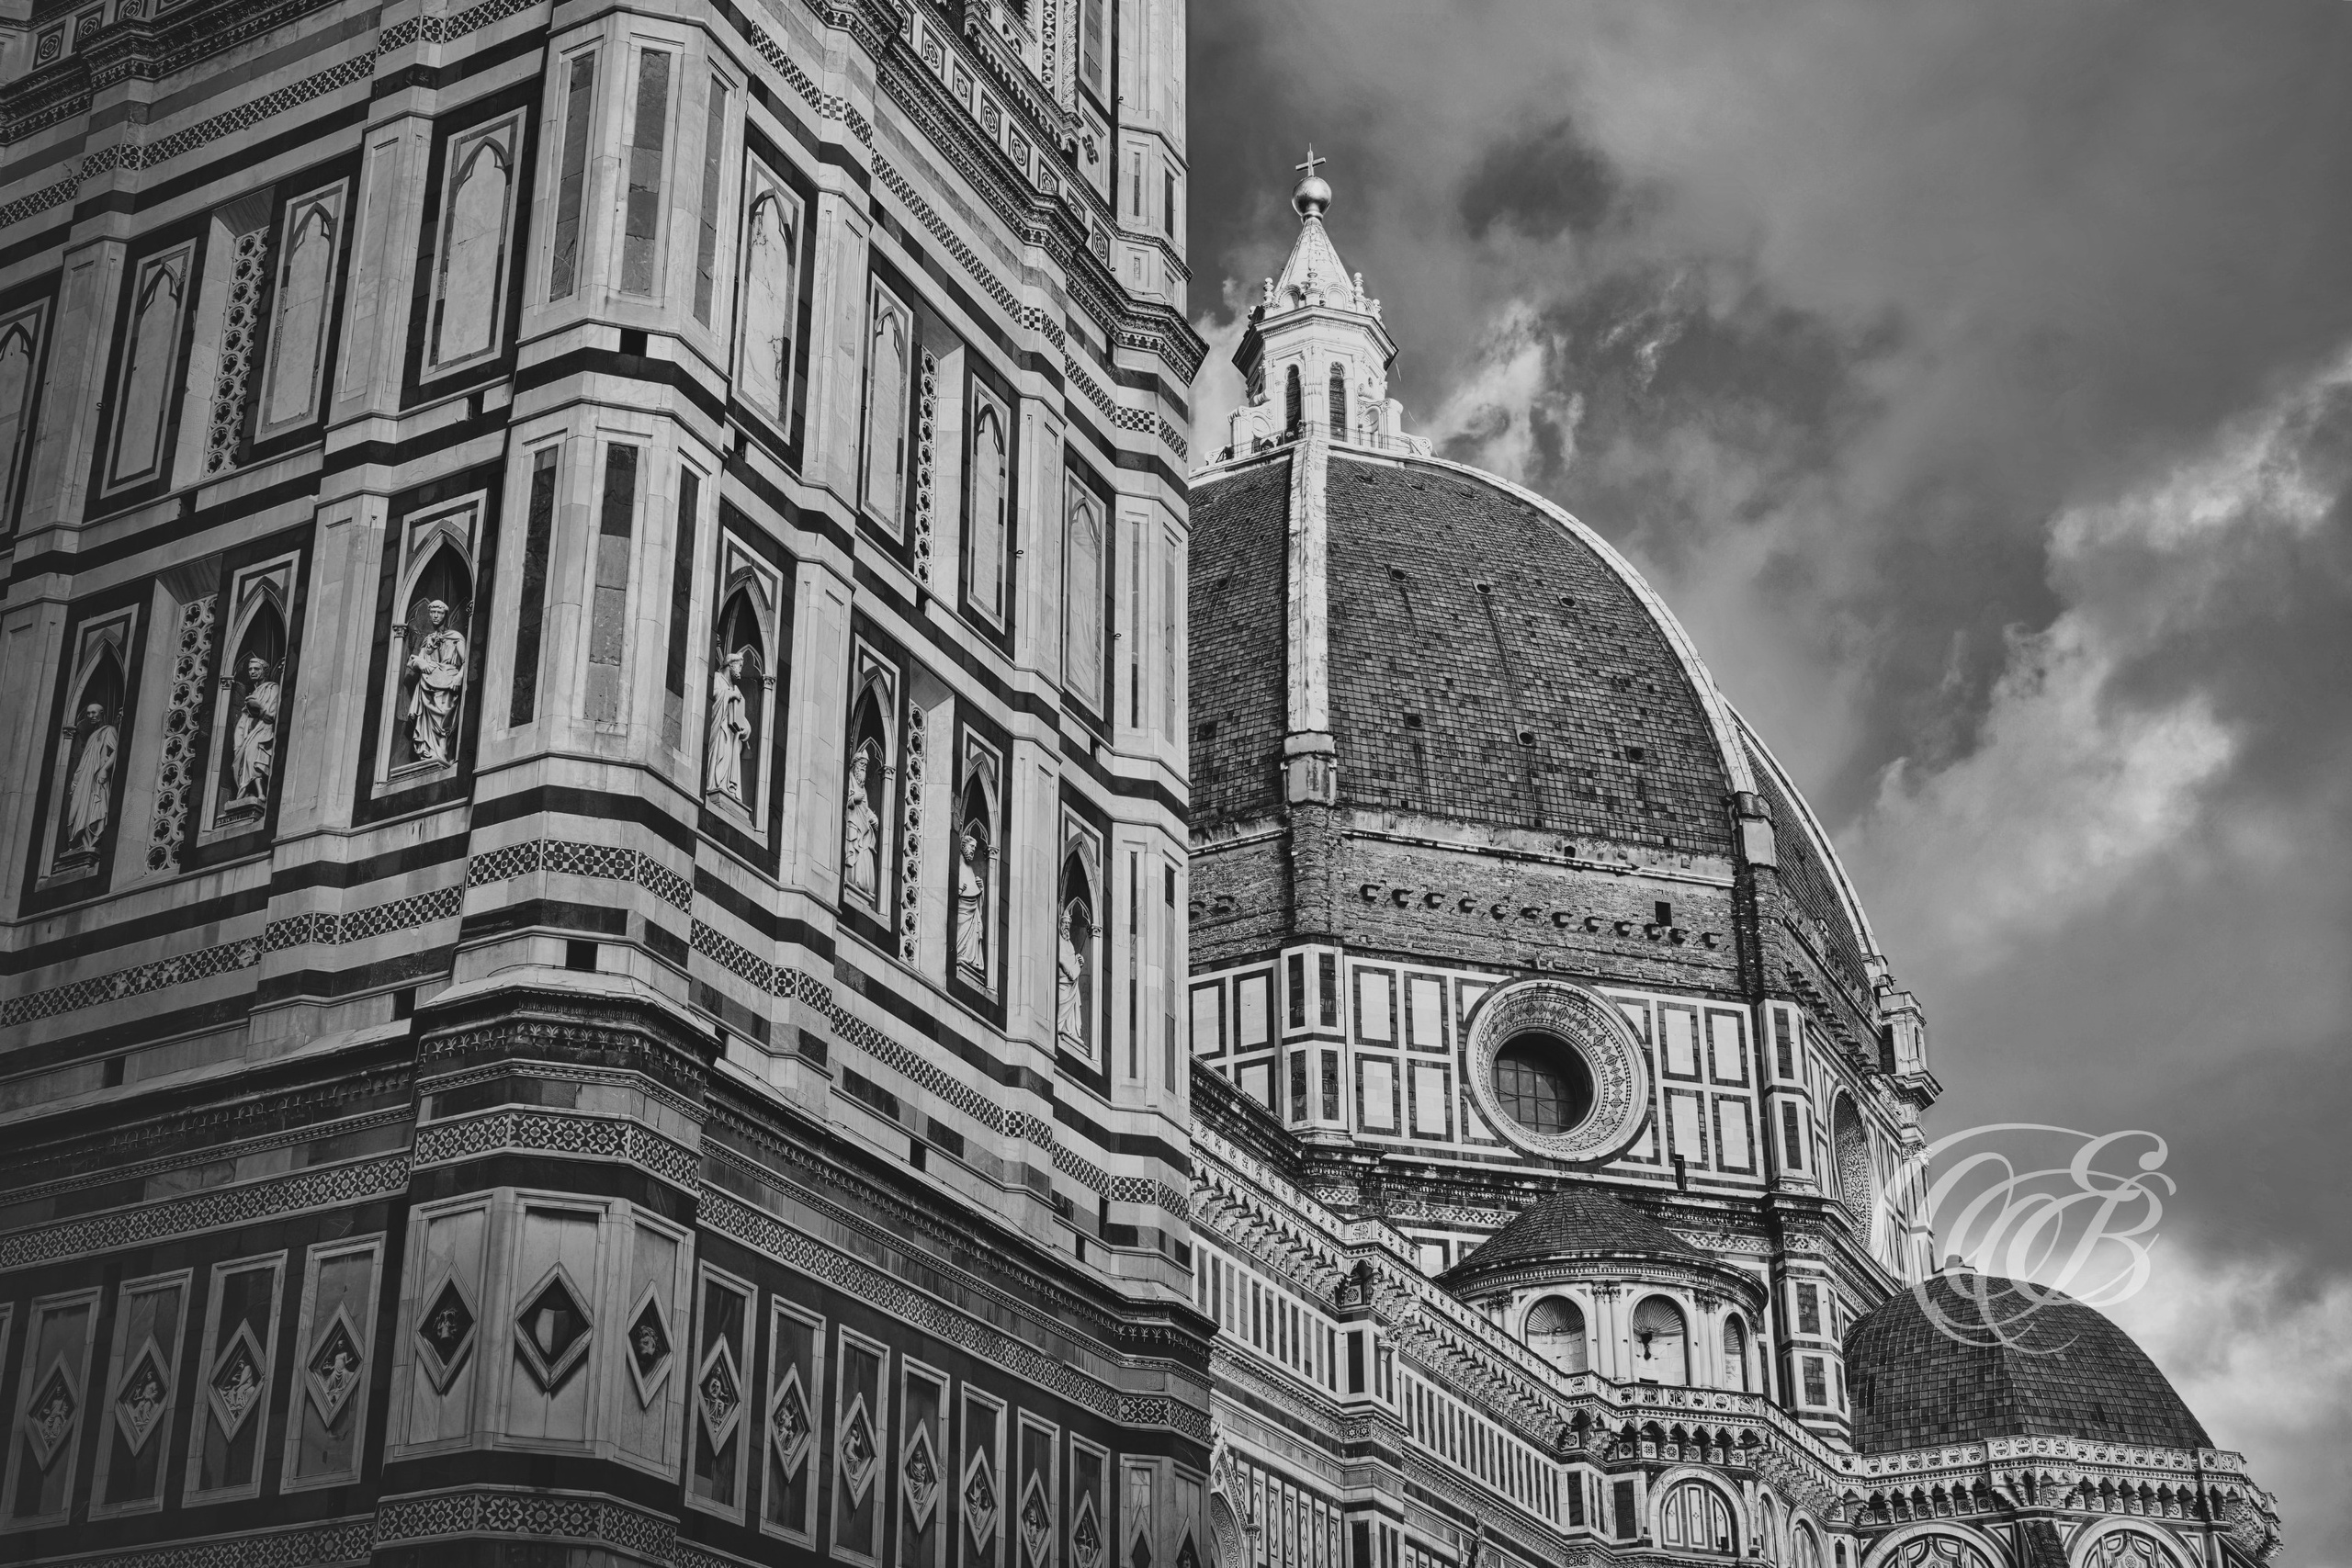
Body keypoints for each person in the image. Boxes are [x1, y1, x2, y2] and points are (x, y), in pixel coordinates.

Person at [404, 599, 466, 765]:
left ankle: (442, 755)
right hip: (428, 686)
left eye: (439, 612)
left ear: (445, 615)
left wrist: (459, 677)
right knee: (427, 723)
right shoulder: (428, 640)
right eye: (433, 612)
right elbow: (416, 662)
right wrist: (422, 662)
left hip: (448, 685)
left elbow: (466, 661)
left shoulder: (456, 638)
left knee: (443, 724)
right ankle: (429, 754)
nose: (436, 616)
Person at [61, 700, 118, 857]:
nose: (91, 716)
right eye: (88, 713)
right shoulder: (93, 735)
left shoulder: (109, 730)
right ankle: (77, 842)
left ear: (102, 714)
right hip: (84, 779)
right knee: (75, 811)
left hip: (95, 779)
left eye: (94, 713)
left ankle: (89, 842)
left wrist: (104, 770)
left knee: (93, 809)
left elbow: (115, 751)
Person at [230, 654, 278, 806]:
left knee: (253, 758)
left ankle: (260, 794)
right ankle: (247, 792)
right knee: (238, 763)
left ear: (264, 671)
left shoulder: (273, 688)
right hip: (248, 732)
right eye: (250, 669)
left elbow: (271, 714)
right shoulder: (253, 693)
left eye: (256, 669)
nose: (252, 672)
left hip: (263, 730)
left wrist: (257, 708)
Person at [706, 649, 752, 804]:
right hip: (720, 730)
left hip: (732, 737)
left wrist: (746, 728)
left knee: (728, 756)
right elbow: (713, 696)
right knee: (719, 755)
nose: (740, 670)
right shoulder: (717, 678)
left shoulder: (735, 689)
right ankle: (715, 783)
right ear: (730, 665)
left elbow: (739, 715)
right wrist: (728, 695)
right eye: (738, 666)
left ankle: (727, 788)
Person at [842, 746, 880, 899]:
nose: (864, 769)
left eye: (865, 766)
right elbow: (846, 799)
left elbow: (865, 808)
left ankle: (863, 886)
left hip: (863, 825)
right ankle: (852, 880)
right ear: (855, 765)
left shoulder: (863, 788)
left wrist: (873, 817)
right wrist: (853, 799)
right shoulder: (850, 779)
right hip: (852, 823)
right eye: (862, 765)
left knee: (865, 852)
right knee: (854, 849)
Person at [954, 827, 989, 977]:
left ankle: (969, 960)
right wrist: (959, 891)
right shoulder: (956, 864)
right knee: (961, 930)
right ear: (963, 845)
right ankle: (960, 953)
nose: (974, 850)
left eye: (975, 847)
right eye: (971, 847)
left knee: (972, 934)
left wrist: (981, 891)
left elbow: (976, 899)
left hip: (971, 913)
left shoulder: (971, 870)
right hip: (962, 912)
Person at [1056, 899, 1088, 1051]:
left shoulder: (1070, 944)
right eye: (1065, 923)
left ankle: (1070, 1031)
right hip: (1063, 982)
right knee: (1061, 1007)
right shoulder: (1059, 942)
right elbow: (1062, 961)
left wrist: (1078, 962)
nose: (1067, 926)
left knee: (1071, 1012)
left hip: (1071, 984)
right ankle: (1061, 1027)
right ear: (1061, 924)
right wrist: (1072, 968)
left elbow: (1072, 962)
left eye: (1069, 924)